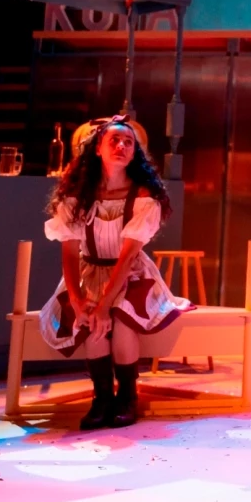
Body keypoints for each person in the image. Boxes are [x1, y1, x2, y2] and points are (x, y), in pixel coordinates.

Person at [37, 115, 190, 430]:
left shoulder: (143, 197)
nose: (121, 146)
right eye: (114, 140)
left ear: (134, 153)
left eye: (128, 142)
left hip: (130, 274)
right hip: (90, 272)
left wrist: (106, 304)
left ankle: (128, 397)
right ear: (98, 149)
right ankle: (102, 398)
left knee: (120, 319)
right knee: (92, 322)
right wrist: (78, 299)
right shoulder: (78, 196)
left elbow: (129, 255)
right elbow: (70, 252)